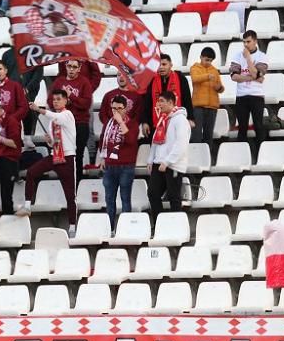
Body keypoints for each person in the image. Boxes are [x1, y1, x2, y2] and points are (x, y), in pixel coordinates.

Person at [17, 90, 78, 234]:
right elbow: (53, 142)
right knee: (32, 172)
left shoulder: (67, 115)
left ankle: (72, 226)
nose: (55, 101)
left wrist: (39, 109)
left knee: (70, 195)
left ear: (65, 101)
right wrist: (50, 141)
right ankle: (27, 205)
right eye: (54, 99)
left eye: (58, 99)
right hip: (55, 155)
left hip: (67, 157)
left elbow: (58, 117)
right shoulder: (52, 121)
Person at [147, 90, 191, 221]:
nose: (158, 104)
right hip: (158, 163)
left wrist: (167, 162)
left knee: (174, 196)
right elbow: (155, 141)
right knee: (153, 193)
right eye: (158, 101)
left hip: (173, 165)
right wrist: (151, 160)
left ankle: (176, 226)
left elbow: (181, 144)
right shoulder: (163, 119)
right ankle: (160, 223)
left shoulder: (181, 120)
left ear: (171, 102)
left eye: (161, 101)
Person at [98, 94, 138, 229]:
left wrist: (121, 122)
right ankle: (109, 228)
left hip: (125, 166)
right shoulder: (108, 124)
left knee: (125, 199)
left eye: (119, 108)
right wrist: (103, 157)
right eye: (113, 108)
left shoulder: (131, 123)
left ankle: (126, 229)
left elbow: (131, 140)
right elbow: (103, 141)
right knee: (109, 199)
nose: (116, 111)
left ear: (125, 109)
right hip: (110, 166)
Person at [52, 59, 93, 182]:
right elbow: (51, 100)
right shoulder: (59, 82)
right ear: (65, 66)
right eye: (69, 66)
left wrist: (71, 97)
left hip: (79, 124)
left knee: (77, 156)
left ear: (79, 68)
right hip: (62, 124)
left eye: (74, 67)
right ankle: (65, 184)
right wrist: (63, 102)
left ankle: (77, 185)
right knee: (62, 156)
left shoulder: (84, 82)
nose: (71, 69)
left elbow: (86, 104)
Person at [230, 29, 268, 155]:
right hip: (241, 96)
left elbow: (257, 73)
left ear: (255, 41)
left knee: (258, 126)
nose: (246, 44)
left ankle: (260, 155)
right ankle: (242, 156)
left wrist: (248, 59)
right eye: (244, 42)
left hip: (256, 96)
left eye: (248, 41)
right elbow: (234, 76)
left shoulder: (262, 56)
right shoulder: (236, 56)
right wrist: (254, 78)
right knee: (242, 128)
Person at [189, 46, 223, 145]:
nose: (208, 62)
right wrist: (207, 76)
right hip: (198, 106)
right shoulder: (194, 68)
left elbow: (220, 88)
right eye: (206, 60)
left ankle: (207, 157)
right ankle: (196, 156)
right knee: (196, 134)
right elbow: (195, 79)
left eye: (210, 61)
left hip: (212, 106)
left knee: (208, 135)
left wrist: (219, 87)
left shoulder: (214, 70)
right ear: (201, 57)